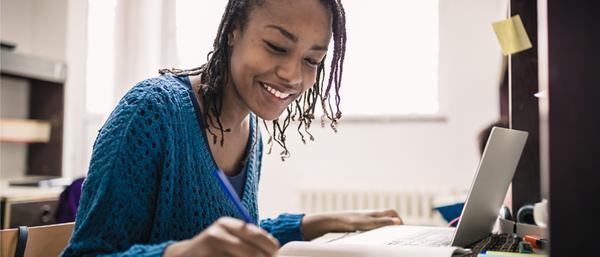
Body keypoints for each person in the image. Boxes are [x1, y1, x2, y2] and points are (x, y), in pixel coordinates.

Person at [62, 1, 403, 257]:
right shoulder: (153, 111)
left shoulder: (251, 129)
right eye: (277, 47)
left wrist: (312, 224)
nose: (293, 75)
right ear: (232, 31)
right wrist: (182, 253)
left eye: (311, 60)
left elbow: (233, 238)